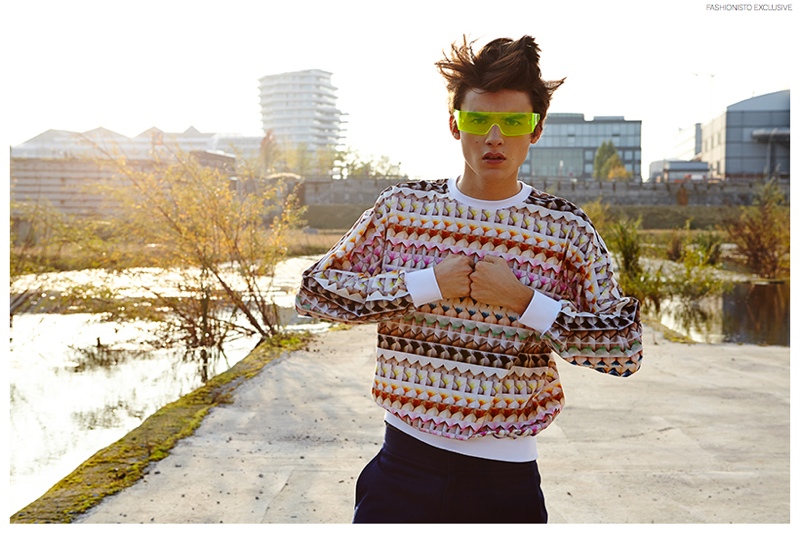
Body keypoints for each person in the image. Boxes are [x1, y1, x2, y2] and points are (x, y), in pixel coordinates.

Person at [295, 35, 643, 524]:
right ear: (455, 124)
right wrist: (425, 284)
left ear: (536, 130)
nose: (494, 137)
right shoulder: (402, 209)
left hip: (505, 481)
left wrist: (524, 301)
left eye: (514, 123)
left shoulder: (565, 229)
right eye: (479, 120)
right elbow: (313, 293)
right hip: (402, 466)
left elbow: (624, 348)